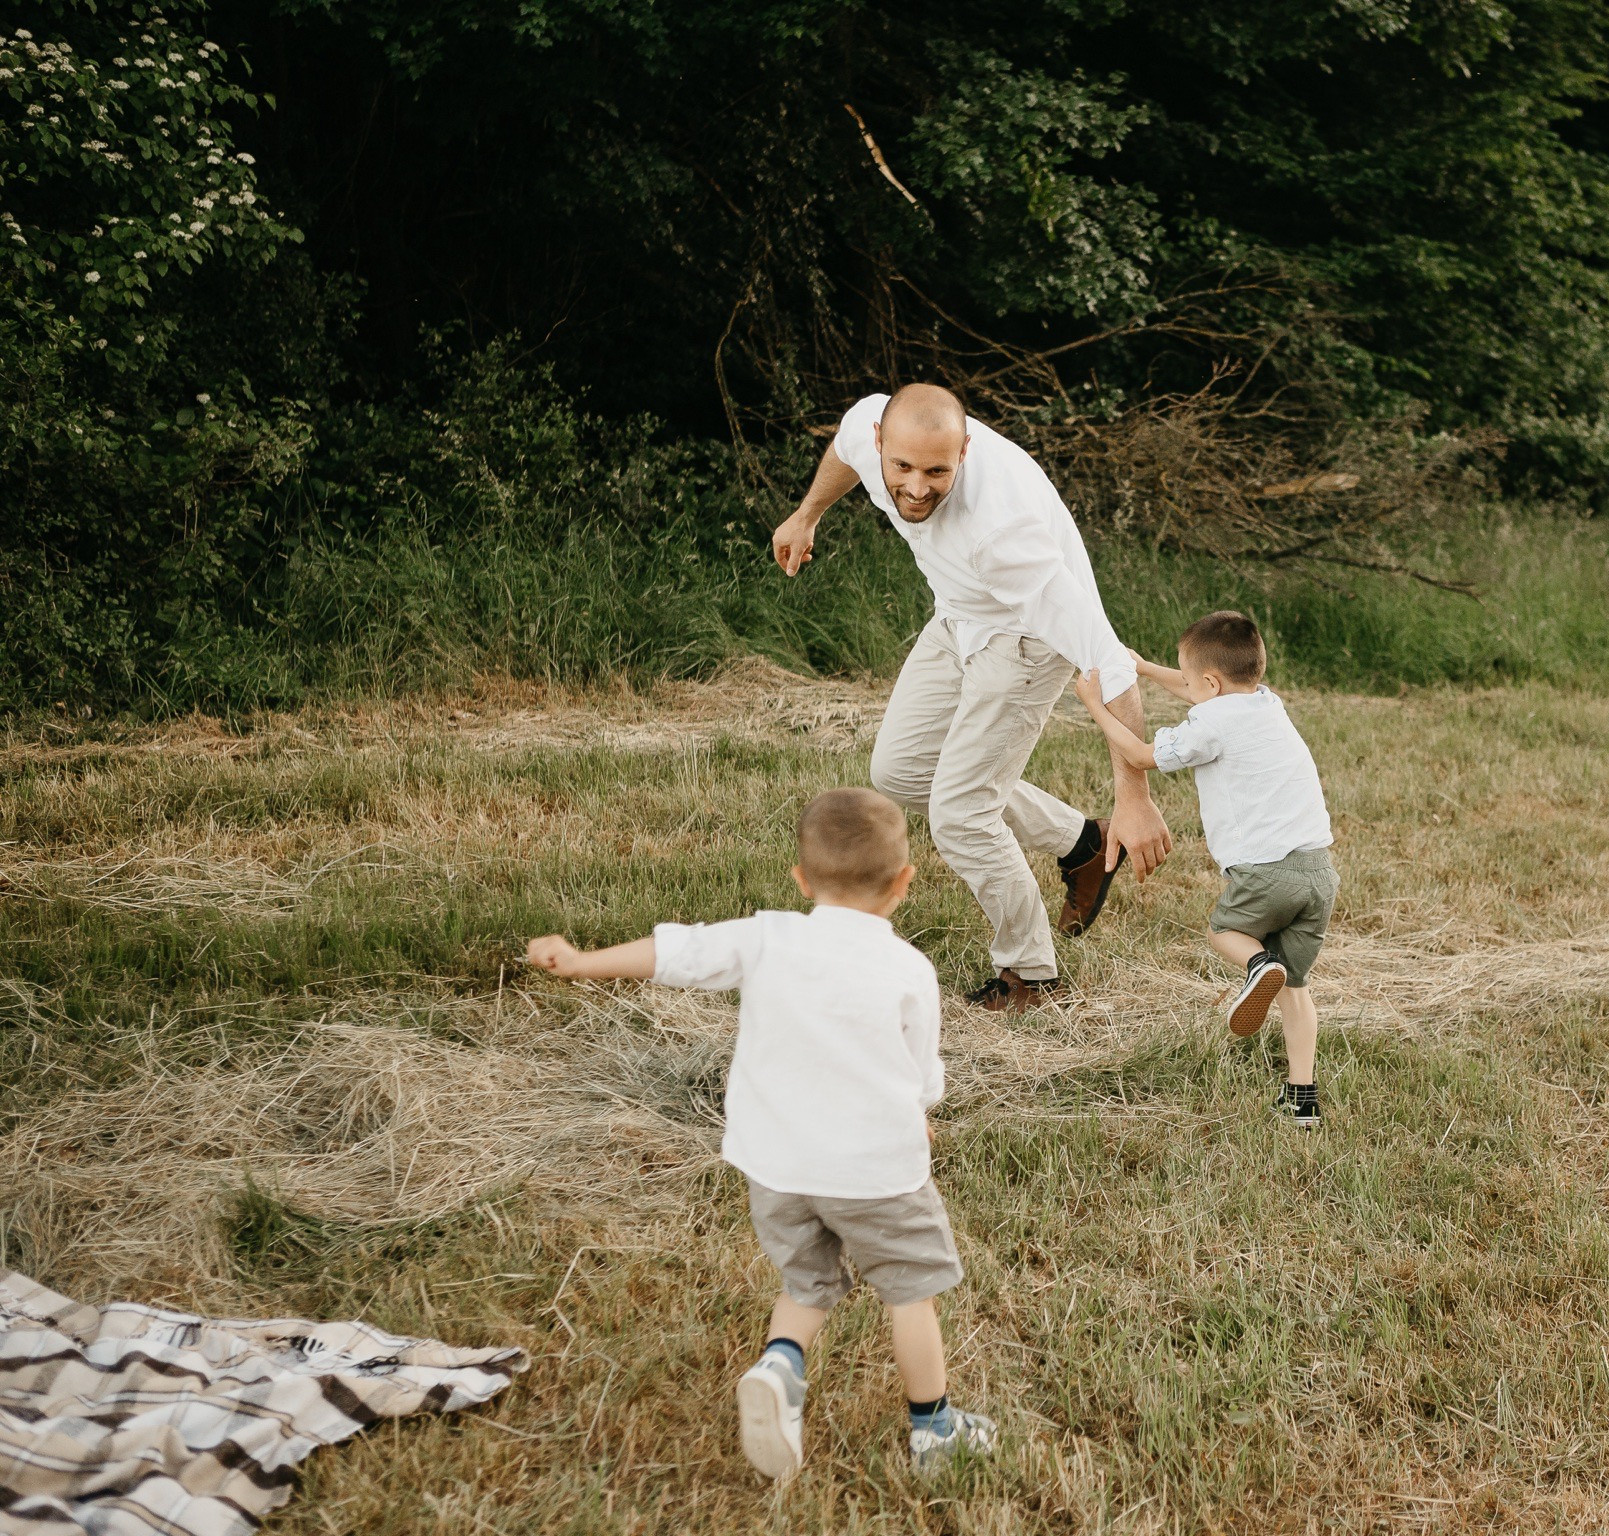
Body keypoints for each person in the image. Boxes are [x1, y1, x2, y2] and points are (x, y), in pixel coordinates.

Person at [523, 788, 994, 1477]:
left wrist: (581, 959)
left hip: (776, 1166)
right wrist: (923, 1111)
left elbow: (673, 953)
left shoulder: (768, 937)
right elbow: (921, 1067)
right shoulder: (909, 970)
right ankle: (935, 1429)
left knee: (806, 1285)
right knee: (908, 1292)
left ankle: (782, 1366)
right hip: (876, 1173)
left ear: (800, 880)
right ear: (904, 883)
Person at [770, 383, 1173, 1012]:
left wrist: (1136, 793)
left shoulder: (1005, 534)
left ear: (966, 451)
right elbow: (845, 454)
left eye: (938, 471)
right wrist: (807, 515)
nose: (917, 487)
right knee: (898, 770)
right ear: (882, 440)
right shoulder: (869, 428)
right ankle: (1082, 844)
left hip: (1024, 638)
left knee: (960, 815)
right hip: (957, 615)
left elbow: (1108, 659)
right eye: (902, 467)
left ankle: (1031, 974)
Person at [1073, 611, 1337, 1128]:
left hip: (1266, 873)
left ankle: (1257, 966)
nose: (1187, 688)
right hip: (1319, 874)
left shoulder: (1208, 726)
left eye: (1190, 680)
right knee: (1295, 992)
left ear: (1210, 683)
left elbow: (1143, 755)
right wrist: (1149, 669)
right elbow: (1205, 690)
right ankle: (1302, 1098)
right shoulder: (1266, 701)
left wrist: (1094, 707)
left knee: (1225, 931)